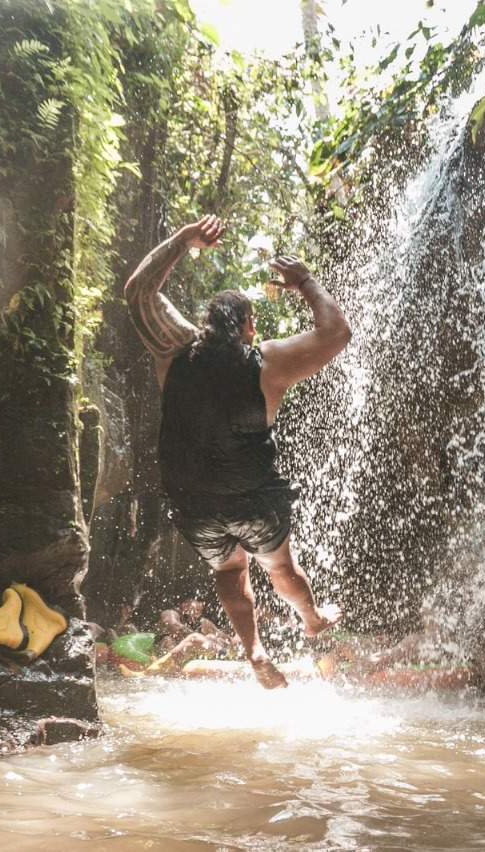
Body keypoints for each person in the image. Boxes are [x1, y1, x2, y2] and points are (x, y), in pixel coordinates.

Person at [124, 214, 350, 689]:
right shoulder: (268, 363)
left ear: (205, 324)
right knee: (280, 566)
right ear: (248, 327)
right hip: (253, 499)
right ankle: (310, 618)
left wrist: (185, 240)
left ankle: (254, 652)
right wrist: (305, 281)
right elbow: (337, 334)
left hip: (194, 503)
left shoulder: (173, 351)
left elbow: (138, 293)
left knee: (230, 573)